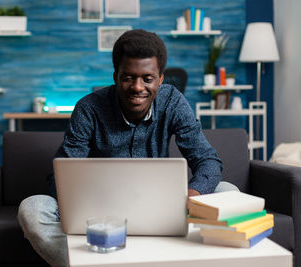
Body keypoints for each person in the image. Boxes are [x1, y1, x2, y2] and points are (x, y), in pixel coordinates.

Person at [18, 29, 237, 267]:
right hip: (100, 214)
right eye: (128, 77)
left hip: (164, 208)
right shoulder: (88, 109)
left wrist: (190, 196)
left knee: (229, 192)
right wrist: (86, 204)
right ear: (115, 76)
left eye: (147, 78)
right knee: (33, 208)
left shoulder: (173, 102)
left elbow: (208, 161)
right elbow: (60, 176)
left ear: (160, 78)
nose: (137, 87)